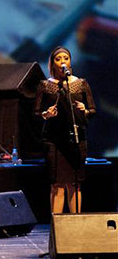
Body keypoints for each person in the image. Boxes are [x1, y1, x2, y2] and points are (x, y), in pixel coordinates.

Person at [34, 46, 95, 214]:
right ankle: (57, 227)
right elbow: (36, 114)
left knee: (75, 184)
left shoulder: (81, 84)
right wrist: (46, 114)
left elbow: (93, 111)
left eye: (65, 58)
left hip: (76, 139)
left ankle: (75, 226)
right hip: (54, 141)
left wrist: (85, 110)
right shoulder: (45, 85)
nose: (63, 62)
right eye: (58, 59)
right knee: (58, 185)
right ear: (52, 63)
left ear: (70, 61)